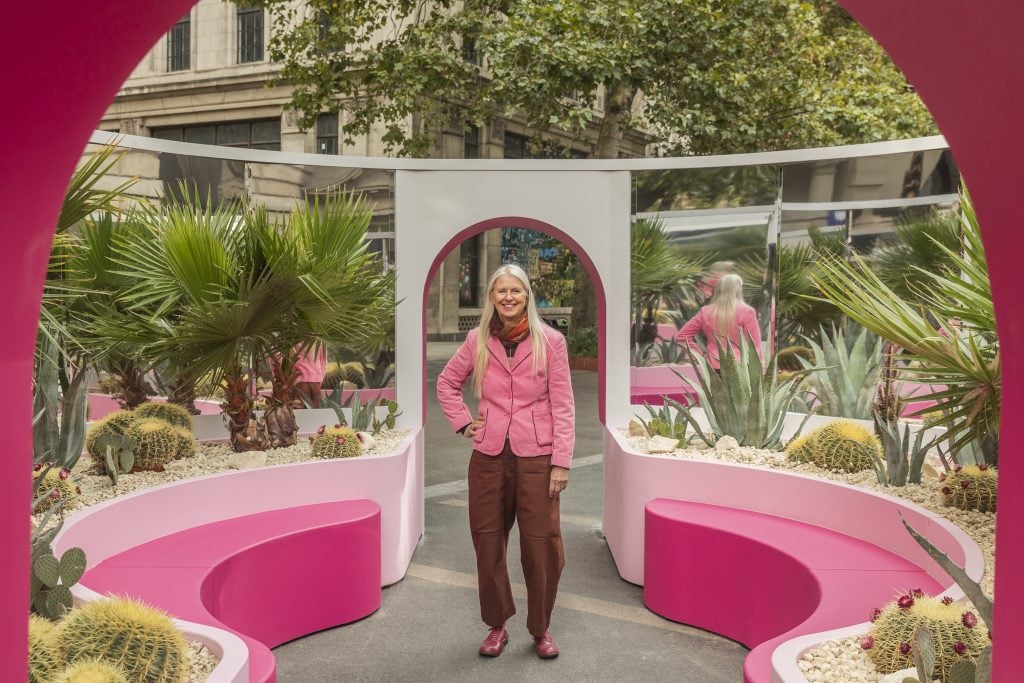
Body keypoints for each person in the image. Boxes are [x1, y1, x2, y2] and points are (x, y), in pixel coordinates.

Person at [436, 263, 575, 660]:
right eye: (501, 291)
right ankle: (497, 625)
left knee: (542, 544)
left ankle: (541, 627)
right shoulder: (477, 339)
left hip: (538, 458)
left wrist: (561, 461)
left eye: (516, 290)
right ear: (491, 297)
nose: (509, 297)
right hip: (489, 457)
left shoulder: (551, 341)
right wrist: (465, 423)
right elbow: (446, 383)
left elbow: (563, 404)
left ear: (527, 295)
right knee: (487, 541)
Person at [676, 273, 763, 369]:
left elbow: (681, 337)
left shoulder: (705, 311)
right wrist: (760, 369)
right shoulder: (747, 311)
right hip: (741, 369)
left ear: (718, 290)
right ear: (739, 290)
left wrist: (700, 357)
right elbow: (755, 345)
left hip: (713, 367)